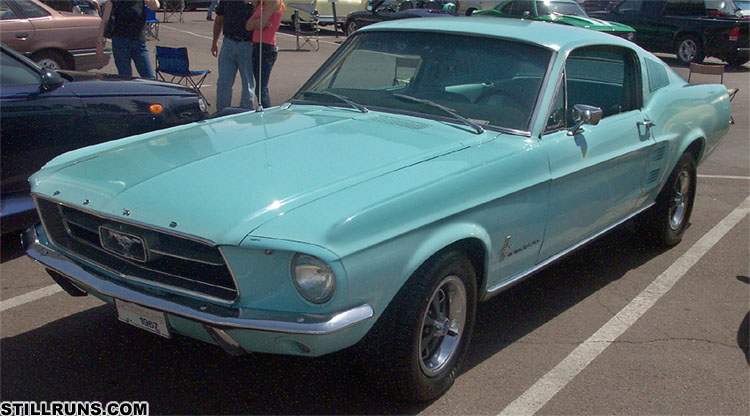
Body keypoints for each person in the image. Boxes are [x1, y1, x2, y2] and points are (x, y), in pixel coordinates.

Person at [210, 0, 256, 111]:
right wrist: (214, 42)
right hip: (228, 42)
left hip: (247, 44)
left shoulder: (254, 2)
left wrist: (255, 41)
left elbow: (261, 20)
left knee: (247, 82)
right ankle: (222, 111)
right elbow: (219, 19)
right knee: (223, 82)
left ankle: (246, 111)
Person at [97, 0, 160, 79]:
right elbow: (104, 22)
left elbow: (155, 6)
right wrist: (99, 44)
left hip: (139, 42)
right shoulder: (114, 1)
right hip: (120, 42)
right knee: (125, 77)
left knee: (149, 77)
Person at [246, 0, 284, 109]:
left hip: (266, 47)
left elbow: (262, 23)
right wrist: (259, 23)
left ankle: (267, 111)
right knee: (259, 85)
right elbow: (248, 26)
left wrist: (258, 23)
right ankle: (265, 109)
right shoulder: (262, 4)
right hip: (257, 46)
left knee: (261, 88)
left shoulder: (275, 2)